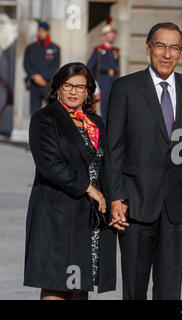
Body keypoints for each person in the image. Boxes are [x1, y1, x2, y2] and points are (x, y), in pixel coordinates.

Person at [106, 22, 182, 300]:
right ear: (148, 47)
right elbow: (113, 148)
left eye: (174, 47)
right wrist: (115, 196)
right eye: (161, 46)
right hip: (135, 206)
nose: (167, 54)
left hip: (177, 207)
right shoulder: (125, 88)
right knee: (134, 289)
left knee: (170, 290)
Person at [24, 62, 117, 300]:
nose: (74, 92)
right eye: (69, 85)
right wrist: (88, 188)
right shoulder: (45, 119)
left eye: (81, 87)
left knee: (79, 285)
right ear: (58, 87)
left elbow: (106, 163)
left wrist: (116, 199)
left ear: (88, 91)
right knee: (55, 283)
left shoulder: (95, 123)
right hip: (57, 212)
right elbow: (50, 164)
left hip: (88, 217)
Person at [87, 17, 120, 124]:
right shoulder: (99, 50)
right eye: (109, 33)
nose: (112, 35)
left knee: (114, 108)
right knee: (104, 108)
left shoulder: (115, 51)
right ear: (103, 36)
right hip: (103, 81)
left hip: (114, 80)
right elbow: (89, 67)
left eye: (113, 33)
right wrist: (94, 83)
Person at [24, 21, 60, 115]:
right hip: (34, 84)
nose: (41, 33)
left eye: (44, 31)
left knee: (51, 112)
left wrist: (44, 78)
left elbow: (55, 66)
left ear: (48, 32)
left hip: (47, 84)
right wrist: (35, 76)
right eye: (39, 30)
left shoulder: (55, 48)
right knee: (34, 113)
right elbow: (26, 64)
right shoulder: (31, 48)